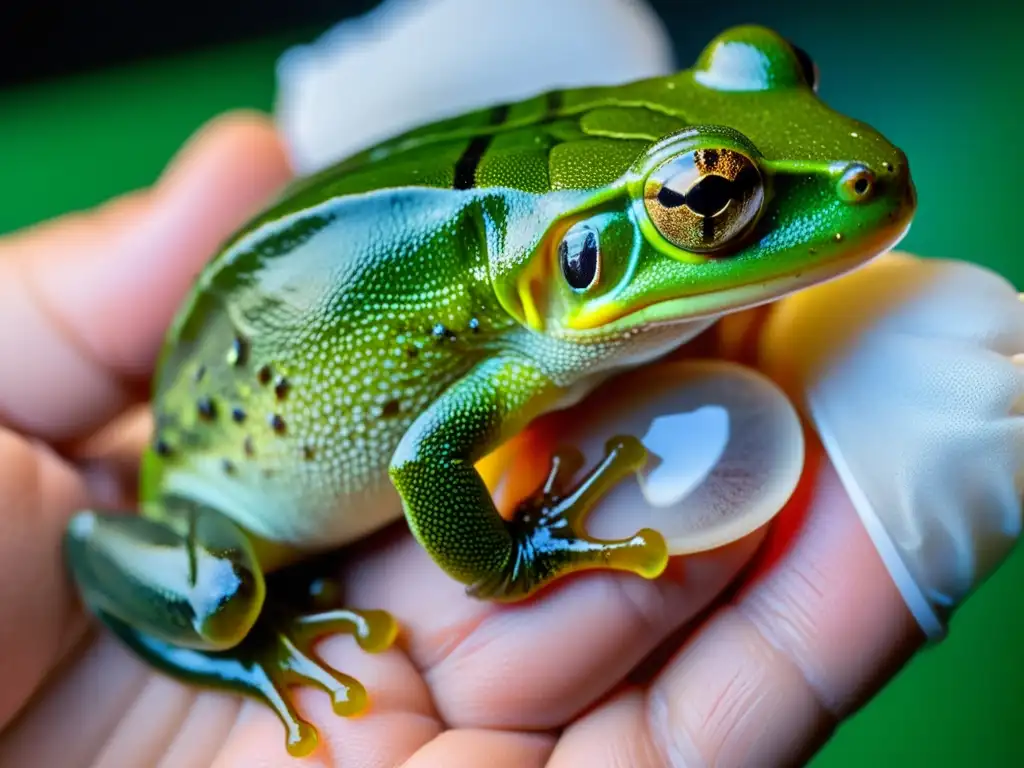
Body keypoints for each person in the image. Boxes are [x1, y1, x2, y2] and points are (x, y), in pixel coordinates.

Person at [0, 111, 950, 767]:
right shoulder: (519, 350)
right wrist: (511, 559)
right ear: (578, 259)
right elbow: (426, 457)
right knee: (221, 598)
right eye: (710, 200)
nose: (855, 173)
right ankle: (237, 643)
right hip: (209, 508)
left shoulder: (536, 310)